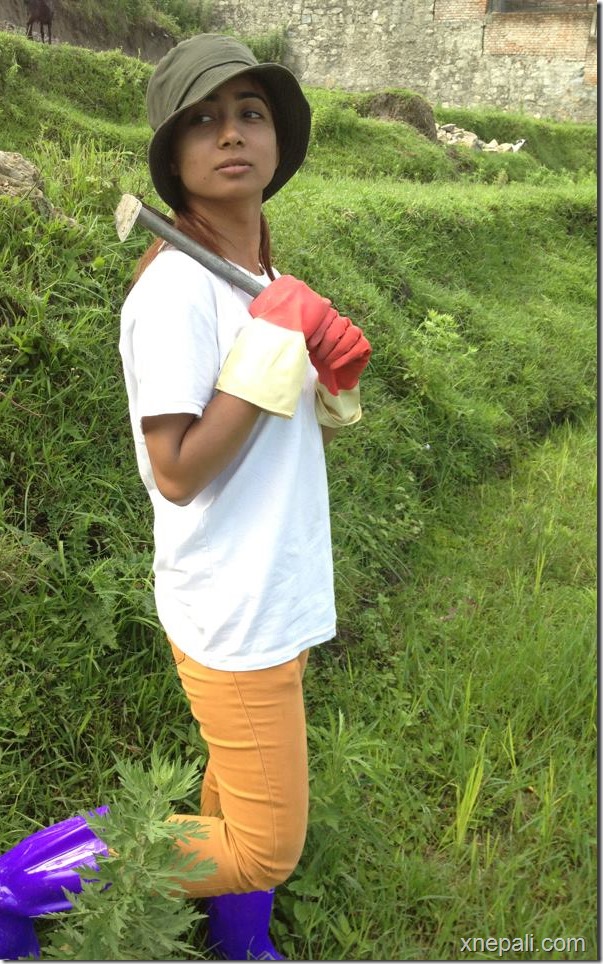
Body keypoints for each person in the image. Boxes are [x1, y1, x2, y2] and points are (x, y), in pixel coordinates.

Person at [0, 33, 372, 963]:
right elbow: (176, 469)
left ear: (279, 138)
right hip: (231, 603)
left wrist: (331, 381)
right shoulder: (174, 292)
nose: (231, 133)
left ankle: (239, 939)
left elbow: (281, 437)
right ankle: (15, 887)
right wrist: (269, 348)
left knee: (235, 792)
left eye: (250, 112)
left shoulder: (267, 284)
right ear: (172, 156)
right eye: (203, 120)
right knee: (262, 844)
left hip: (276, 582)